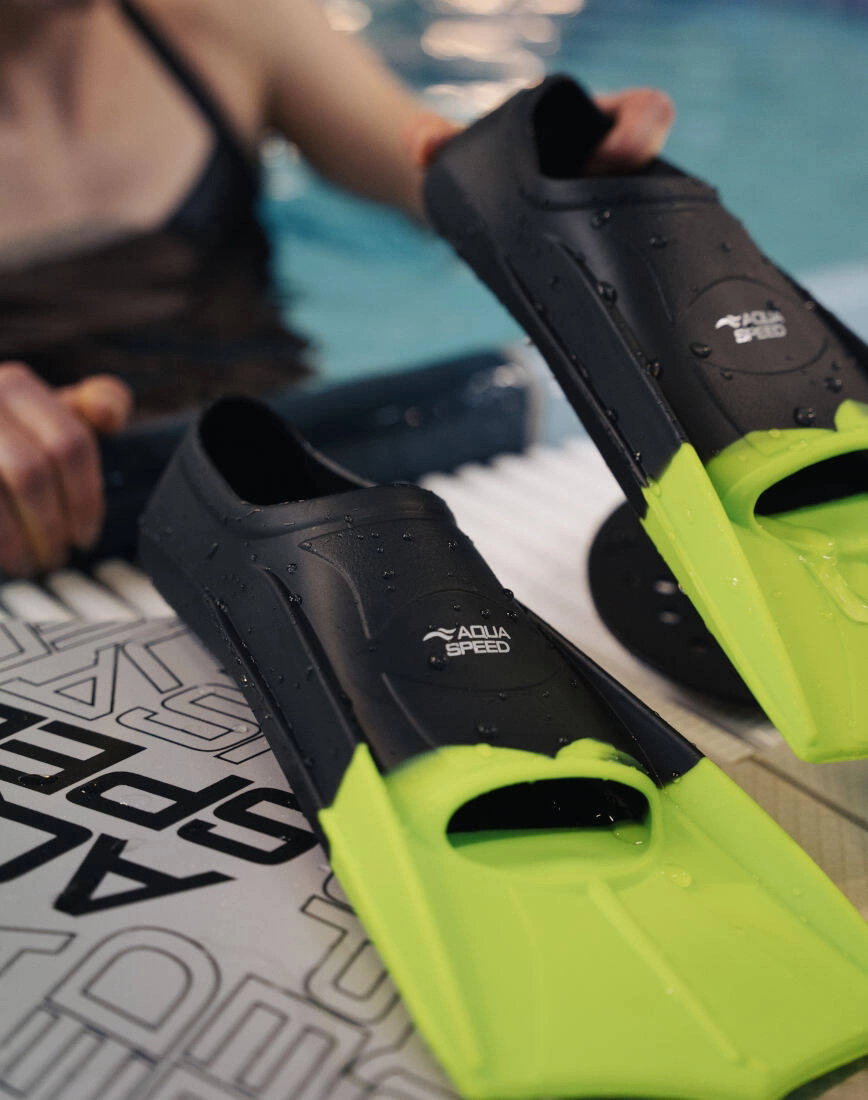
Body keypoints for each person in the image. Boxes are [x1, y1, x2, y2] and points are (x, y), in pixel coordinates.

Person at [0, 0, 674, 576]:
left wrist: (554, 167)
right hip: (55, 535)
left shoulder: (219, 15)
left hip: (288, 472)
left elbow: (442, 176)